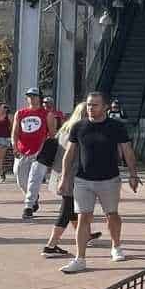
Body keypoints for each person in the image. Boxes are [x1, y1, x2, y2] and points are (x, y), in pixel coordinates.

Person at [59, 91, 140, 273]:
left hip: (109, 180)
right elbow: (69, 154)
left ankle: (116, 246)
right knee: (83, 217)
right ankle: (80, 258)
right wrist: (64, 177)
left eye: (95, 105)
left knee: (111, 214)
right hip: (83, 180)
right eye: (88, 104)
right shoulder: (79, 127)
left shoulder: (116, 127)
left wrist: (133, 174)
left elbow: (127, 151)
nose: (90, 108)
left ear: (105, 107)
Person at [39, 102, 102, 257]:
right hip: (72, 176)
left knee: (73, 208)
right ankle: (51, 245)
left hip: (60, 174)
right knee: (67, 210)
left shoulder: (65, 128)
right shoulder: (81, 131)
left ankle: (85, 235)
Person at [13, 87, 51, 207]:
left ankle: (29, 204)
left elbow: (52, 134)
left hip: (38, 152)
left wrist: (45, 149)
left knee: (34, 179)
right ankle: (33, 196)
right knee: (20, 178)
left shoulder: (46, 114)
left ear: (39, 98)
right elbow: (15, 131)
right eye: (29, 96)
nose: (31, 98)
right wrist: (14, 146)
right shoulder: (20, 113)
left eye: (34, 96)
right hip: (22, 150)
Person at [0, 100, 11, 181]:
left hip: (4, 139)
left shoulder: (8, 117)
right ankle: (1, 173)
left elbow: (12, 127)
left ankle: (1, 174)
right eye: (2, 107)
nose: (4, 108)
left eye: (5, 107)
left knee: (0, 158)